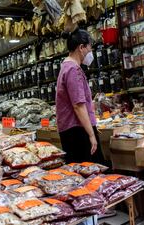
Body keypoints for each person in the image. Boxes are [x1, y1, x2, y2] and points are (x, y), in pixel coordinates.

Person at [56, 28, 104, 164]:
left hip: (73, 130)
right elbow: (78, 105)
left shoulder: (66, 66)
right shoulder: (73, 69)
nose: (91, 53)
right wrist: (91, 134)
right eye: (90, 48)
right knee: (91, 175)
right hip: (77, 131)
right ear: (81, 47)